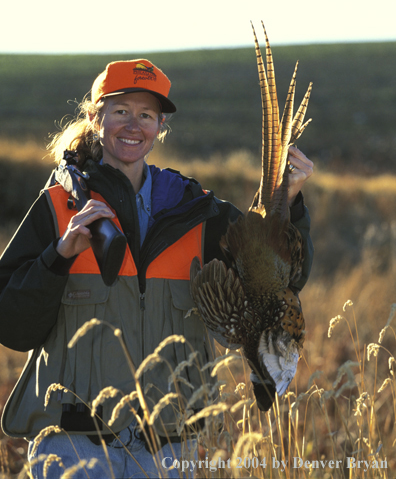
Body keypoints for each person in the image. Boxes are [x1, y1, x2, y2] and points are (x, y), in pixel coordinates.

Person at [0, 59, 314, 478]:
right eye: (121, 111)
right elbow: (12, 326)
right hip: (73, 451)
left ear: (160, 125)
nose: (133, 125)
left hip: (167, 455)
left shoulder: (197, 210)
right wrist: (58, 255)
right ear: (96, 118)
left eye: (146, 115)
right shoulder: (59, 206)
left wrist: (286, 199)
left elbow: (277, 284)